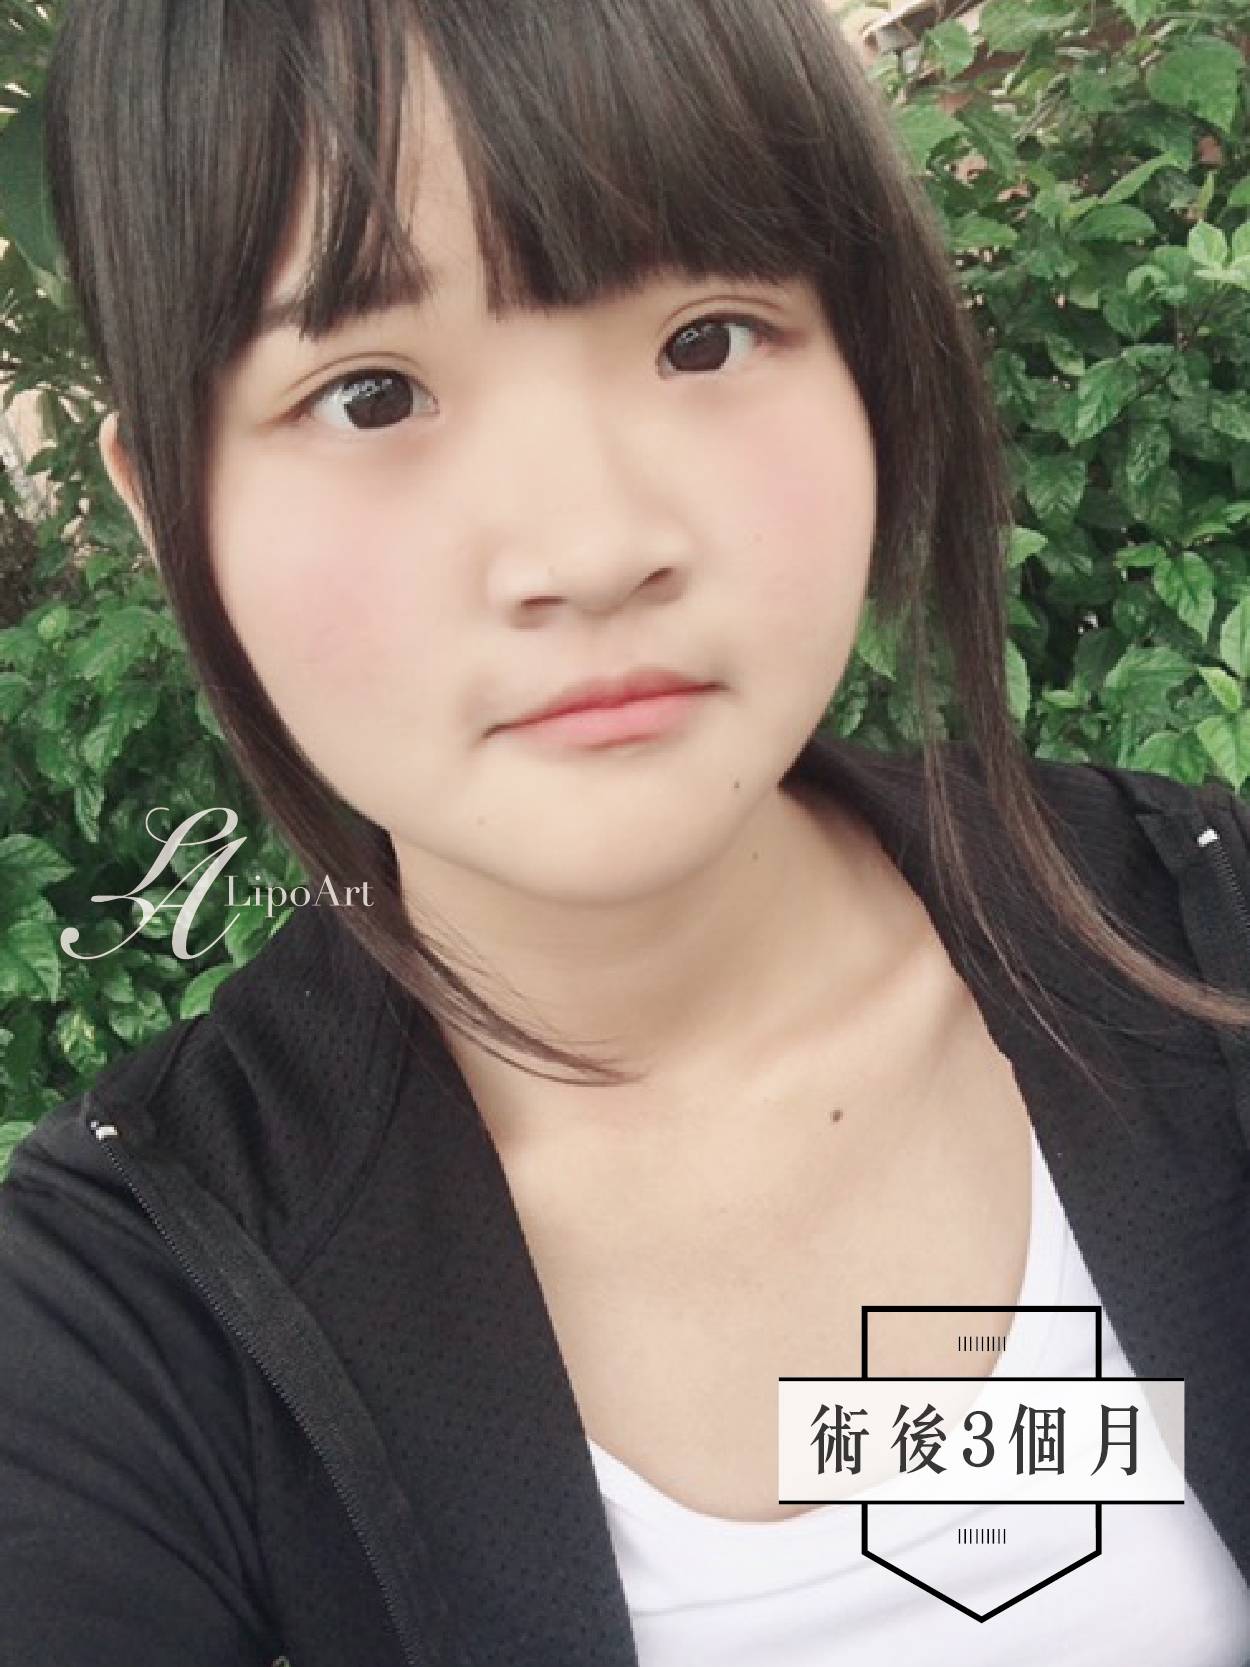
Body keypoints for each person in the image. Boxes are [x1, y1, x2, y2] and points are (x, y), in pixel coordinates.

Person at [3, 0, 1250, 1662]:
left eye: (707, 339)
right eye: (368, 395)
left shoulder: (1205, 950)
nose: (590, 549)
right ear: (167, 508)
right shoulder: (120, 1317)